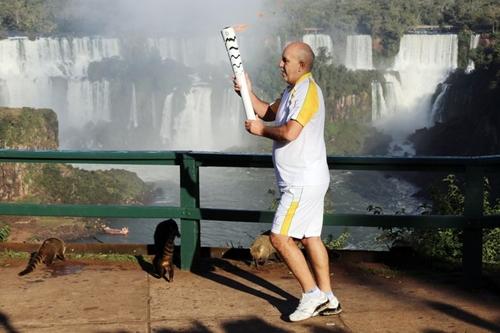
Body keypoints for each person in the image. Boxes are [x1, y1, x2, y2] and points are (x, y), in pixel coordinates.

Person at [233, 41, 342, 322]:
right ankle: (328, 297)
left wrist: (261, 132)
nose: (280, 64)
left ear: (301, 65)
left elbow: (290, 132)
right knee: (310, 237)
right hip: (308, 178)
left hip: (302, 181)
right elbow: (269, 112)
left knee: (280, 238)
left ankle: (311, 295)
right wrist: (246, 92)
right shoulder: (293, 90)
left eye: (285, 60)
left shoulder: (307, 91)